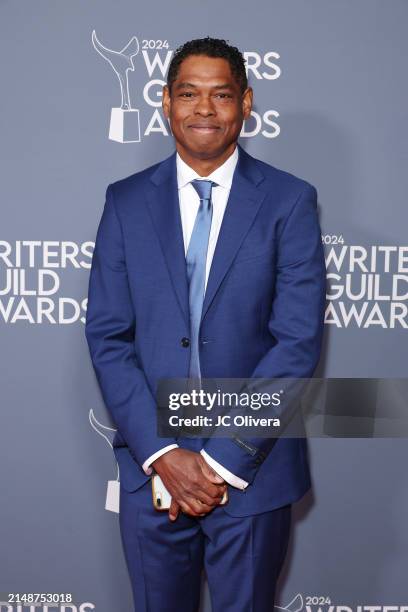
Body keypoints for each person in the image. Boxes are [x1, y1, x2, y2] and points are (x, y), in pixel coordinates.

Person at [85, 36, 326, 612]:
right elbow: (108, 336)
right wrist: (163, 451)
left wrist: (221, 460)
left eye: (221, 95)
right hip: (152, 472)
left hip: (252, 471)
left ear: (246, 103)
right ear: (165, 102)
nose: (204, 109)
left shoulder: (289, 201)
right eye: (189, 94)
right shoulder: (125, 201)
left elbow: (295, 343)